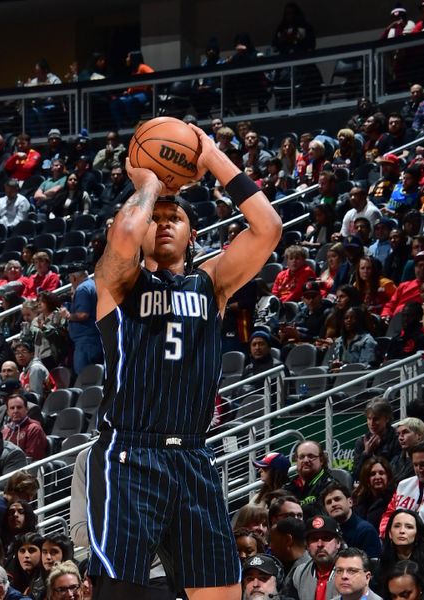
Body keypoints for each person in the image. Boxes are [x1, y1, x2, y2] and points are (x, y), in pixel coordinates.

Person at [85, 123, 282, 599]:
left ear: (194, 234)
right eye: (158, 217)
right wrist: (151, 184)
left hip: (193, 453)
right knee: (119, 592)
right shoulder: (118, 285)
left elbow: (269, 227)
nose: (165, 222)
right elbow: (126, 233)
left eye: (177, 217)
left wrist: (210, 154)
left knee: (220, 592)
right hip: (128, 453)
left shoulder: (211, 284)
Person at [378, 510, 424, 599]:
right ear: (390, 533)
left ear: (417, 534)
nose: (402, 531)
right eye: (397, 526)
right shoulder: (384, 559)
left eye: (409, 527)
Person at [284, 515, 342, 600]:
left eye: (326, 538)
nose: (320, 544)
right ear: (307, 545)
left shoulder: (352, 571)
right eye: (314, 539)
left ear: (338, 543)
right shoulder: (299, 574)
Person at [320, 483, 381, 559]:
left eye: (337, 499)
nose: (333, 504)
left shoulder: (366, 531)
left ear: (350, 502)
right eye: (329, 502)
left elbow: (373, 566)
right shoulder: (327, 533)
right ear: (325, 510)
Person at [283, 441, 336, 516]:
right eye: (301, 457)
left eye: (311, 456)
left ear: (321, 460)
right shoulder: (289, 486)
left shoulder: (330, 485)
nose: (306, 460)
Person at [352, 401, 400, 478]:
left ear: (387, 419)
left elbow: (394, 471)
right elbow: (356, 474)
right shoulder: (361, 441)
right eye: (369, 418)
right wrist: (366, 453)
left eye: (376, 419)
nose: (371, 423)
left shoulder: (397, 438)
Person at [352, 457, 395, 531]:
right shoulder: (359, 499)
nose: (377, 477)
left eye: (381, 473)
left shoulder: (394, 499)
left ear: (388, 476)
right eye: (372, 474)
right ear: (366, 478)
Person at [2, 394, 47, 461]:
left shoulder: (34, 429)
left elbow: (31, 458)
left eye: (19, 407)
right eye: (12, 408)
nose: (15, 411)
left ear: (26, 409)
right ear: (8, 412)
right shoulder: (5, 430)